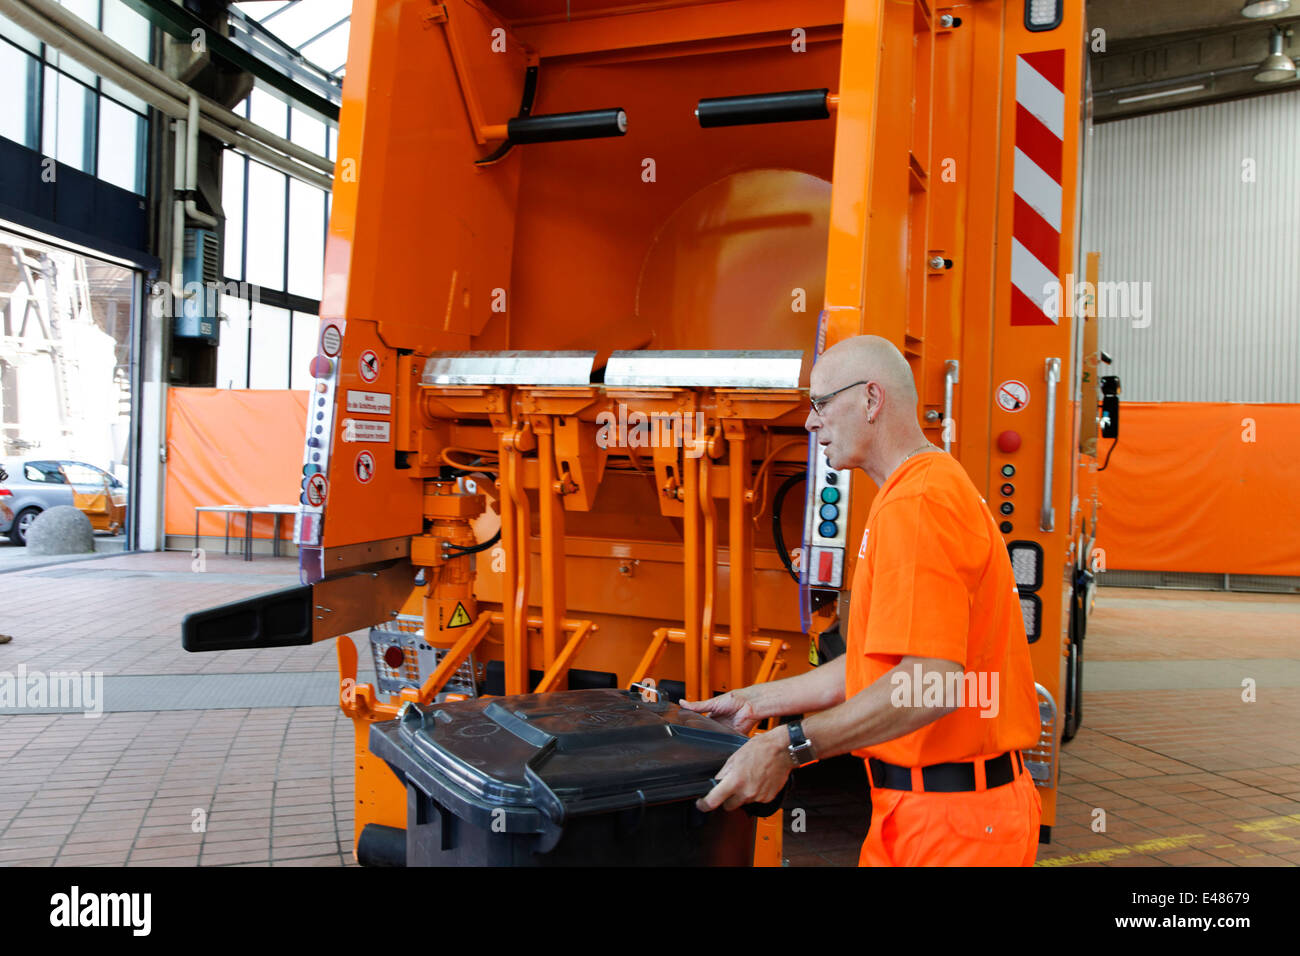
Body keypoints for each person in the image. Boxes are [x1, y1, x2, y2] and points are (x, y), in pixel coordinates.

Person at [682, 334, 1042, 866]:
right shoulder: (914, 491)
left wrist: (789, 747)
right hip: (929, 814)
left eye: (820, 403)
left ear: (872, 400)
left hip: (953, 829)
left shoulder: (918, 503)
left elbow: (930, 686)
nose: (810, 423)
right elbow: (877, 667)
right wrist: (757, 702)